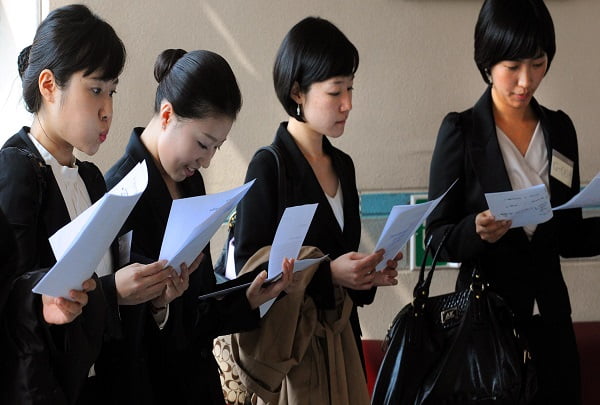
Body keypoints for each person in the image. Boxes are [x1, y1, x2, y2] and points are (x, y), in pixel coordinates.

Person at [0, 5, 182, 404]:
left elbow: (106, 311)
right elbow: (10, 301)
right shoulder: (16, 170)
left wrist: (154, 300)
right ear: (49, 86)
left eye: (111, 91)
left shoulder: (91, 178)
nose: (108, 111)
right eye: (95, 90)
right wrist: (105, 291)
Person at [426, 0, 600, 403]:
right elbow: (436, 237)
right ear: (487, 63)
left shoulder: (559, 129)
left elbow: (569, 237)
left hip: (552, 325)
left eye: (538, 64)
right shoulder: (461, 132)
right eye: (513, 67)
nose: (526, 81)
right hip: (486, 327)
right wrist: (475, 231)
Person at [104, 48, 293, 405]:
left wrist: (248, 298)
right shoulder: (120, 191)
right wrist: (159, 308)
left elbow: (197, 309)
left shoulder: (191, 184)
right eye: (203, 144)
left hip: (199, 386)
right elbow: (119, 338)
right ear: (166, 114)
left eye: (217, 148)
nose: (206, 161)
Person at [232, 17, 399, 401]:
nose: (348, 104)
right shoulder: (269, 165)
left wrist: (367, 273)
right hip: (296, 358)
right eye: (335, 91)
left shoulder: (344, 165)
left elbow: (348, 276)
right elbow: (250, 273)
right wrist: (329, 274)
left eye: (351, 88)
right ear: (298, 92)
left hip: (344, 347)